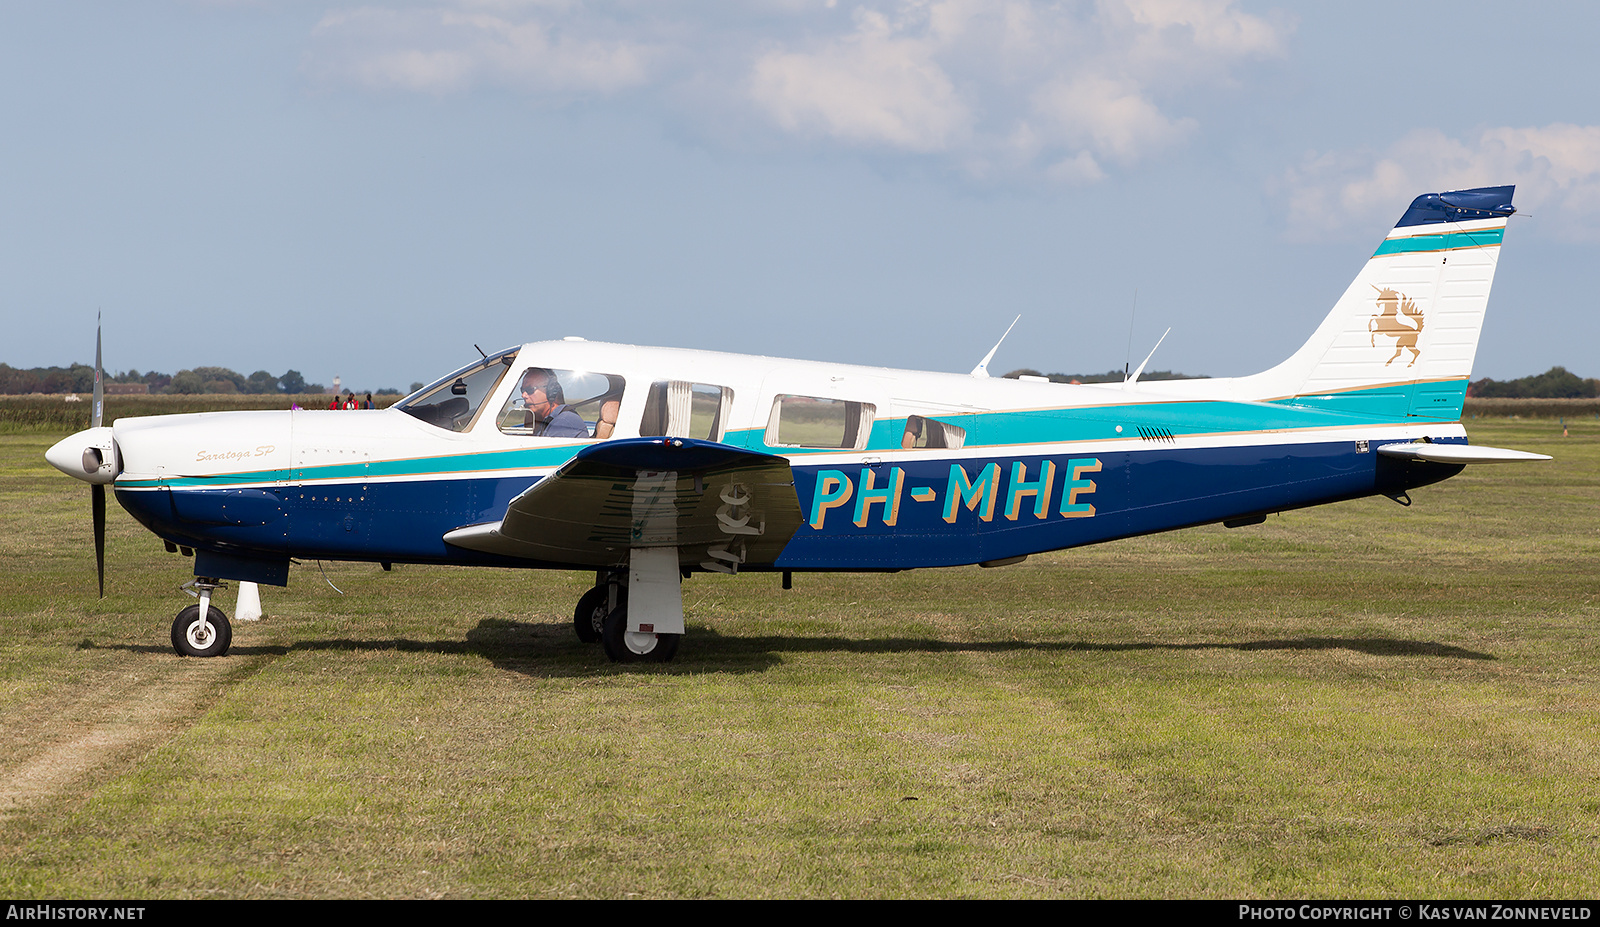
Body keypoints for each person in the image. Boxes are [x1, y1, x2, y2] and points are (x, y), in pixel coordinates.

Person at [520, 369, 588, 438]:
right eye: (522, 390)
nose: (523, 395)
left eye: (530, 390)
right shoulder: (547, 421)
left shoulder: (563, 422)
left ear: (551, 392)